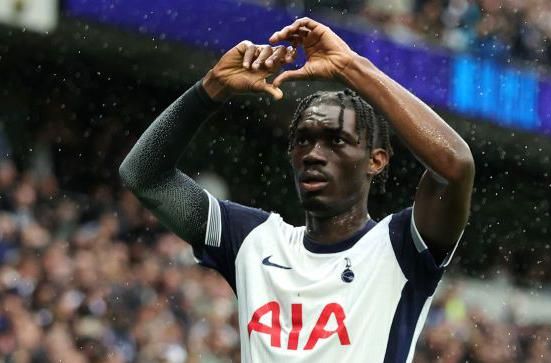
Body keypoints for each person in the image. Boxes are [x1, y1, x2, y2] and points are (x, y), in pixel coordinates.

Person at [119, 17, 474, 363]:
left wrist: (352, 67)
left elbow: (454, 166)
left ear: (376, 160)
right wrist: (211, 87)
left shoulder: (402, 247)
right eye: (303, 140)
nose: (314, 154)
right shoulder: (252, 240)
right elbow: (144, 175)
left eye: (336, 140)